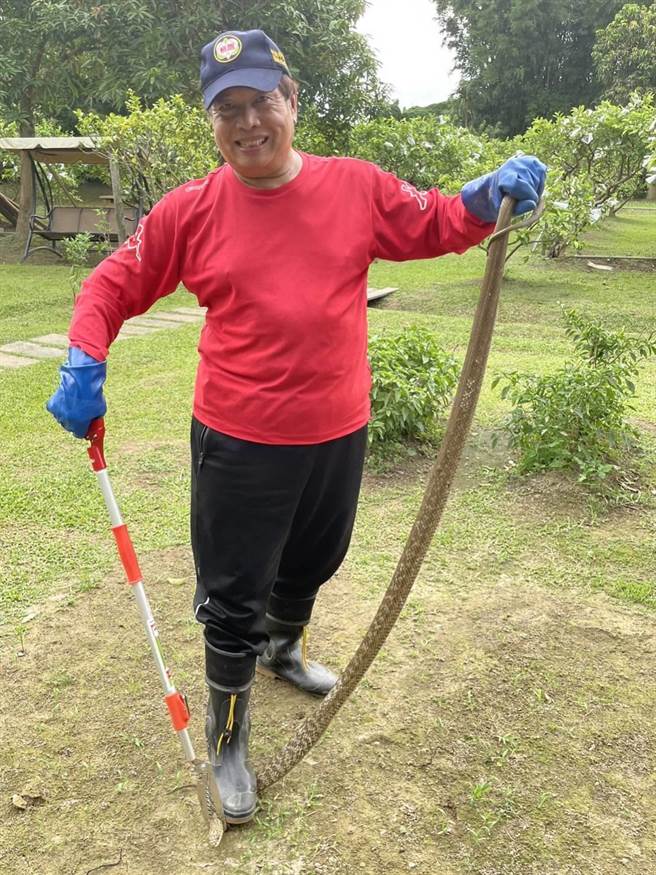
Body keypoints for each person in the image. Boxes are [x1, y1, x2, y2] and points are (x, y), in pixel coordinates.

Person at [47, 29, 546, 824]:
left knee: (317, 556)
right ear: (212, 122)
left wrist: (484, 199)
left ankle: (283, 650)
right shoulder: (190, 209)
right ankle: (228, 737)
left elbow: (435, 222)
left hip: (338, 427)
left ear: (292, 101)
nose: (248, 122)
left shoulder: (356, 186)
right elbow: (113, 282)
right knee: (234, 592)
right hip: (239, 439)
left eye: (261, 102)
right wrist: (84, 354)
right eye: (228, 110)